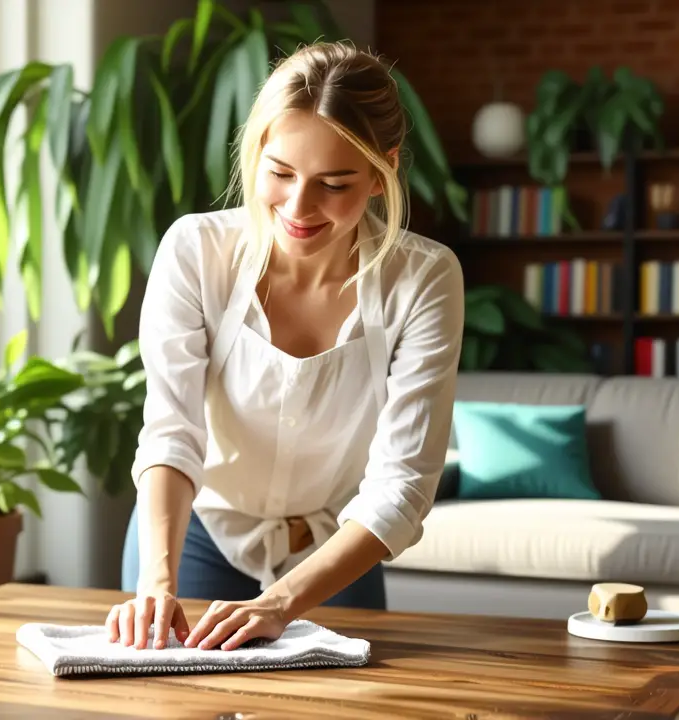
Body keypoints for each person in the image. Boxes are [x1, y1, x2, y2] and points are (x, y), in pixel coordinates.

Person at [109, 41, 464, 653]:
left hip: (335, 550)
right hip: (193, 535)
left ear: (384, 170)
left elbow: (401, 484)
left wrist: (280, 603)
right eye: (279, 173)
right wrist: (156, 580)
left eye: (334, 183)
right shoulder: (196, 253)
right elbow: (172, 430)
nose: (299, 208)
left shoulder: (424, 279)